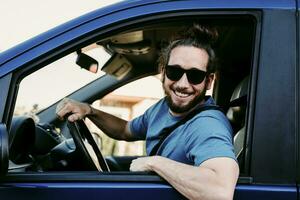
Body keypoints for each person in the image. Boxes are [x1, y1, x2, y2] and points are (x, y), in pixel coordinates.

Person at [56, 24, 239, 200]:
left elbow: (220, 191)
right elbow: (125, 130)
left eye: (195, 76)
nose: (183, 84)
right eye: (174, 72)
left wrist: (155, 162)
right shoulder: (162, 108)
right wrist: (90, 111)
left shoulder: (208, 125)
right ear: (163, 71)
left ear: (208, 81)